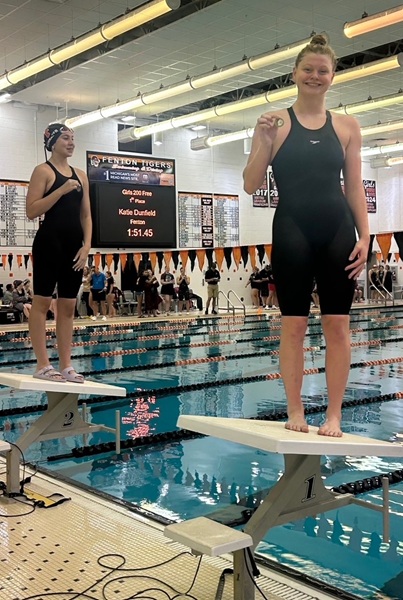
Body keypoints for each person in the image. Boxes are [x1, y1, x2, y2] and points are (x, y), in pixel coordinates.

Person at [243, 35, 369, 437]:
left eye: (323, 70)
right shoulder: (274, 122)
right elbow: (250, 184)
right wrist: (262, 143)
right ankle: (295, 411)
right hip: (292, 229)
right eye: (308, 69)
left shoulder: (347, 126)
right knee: (293, 326)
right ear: (295, 73)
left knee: (338, 325)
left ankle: (333, 415)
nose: (315, 76)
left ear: (333, 77)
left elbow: (353, 187)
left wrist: (365, 237)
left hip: (338, 231)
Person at [26, 123, 92, 383]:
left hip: (74, 246)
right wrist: (61, 190)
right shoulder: (43, 171)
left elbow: (86, 214)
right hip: (49, 243)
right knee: (41, 303)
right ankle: (43, 365)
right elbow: (32, 211)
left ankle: (66, 366)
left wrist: (87, 246)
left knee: (68, 306)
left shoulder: (81, 175)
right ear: (52, 142)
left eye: (73, 138)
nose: (71, 142)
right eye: (66, 138)